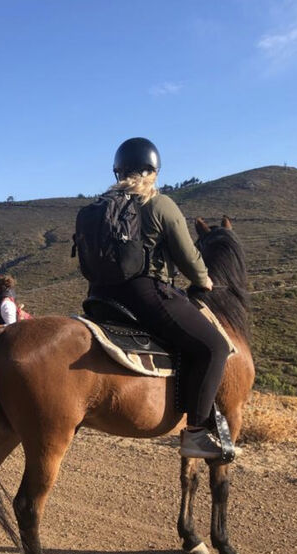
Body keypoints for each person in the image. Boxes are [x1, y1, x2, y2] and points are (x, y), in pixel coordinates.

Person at [89, 137, 238, 461]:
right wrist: (204, 280)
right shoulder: (160, 204)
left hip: (99, 297)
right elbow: (188, 257)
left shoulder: (101, 206)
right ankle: (197, 433)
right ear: (153, 171)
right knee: (215, 347)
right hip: (145, 294)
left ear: (118, 172)